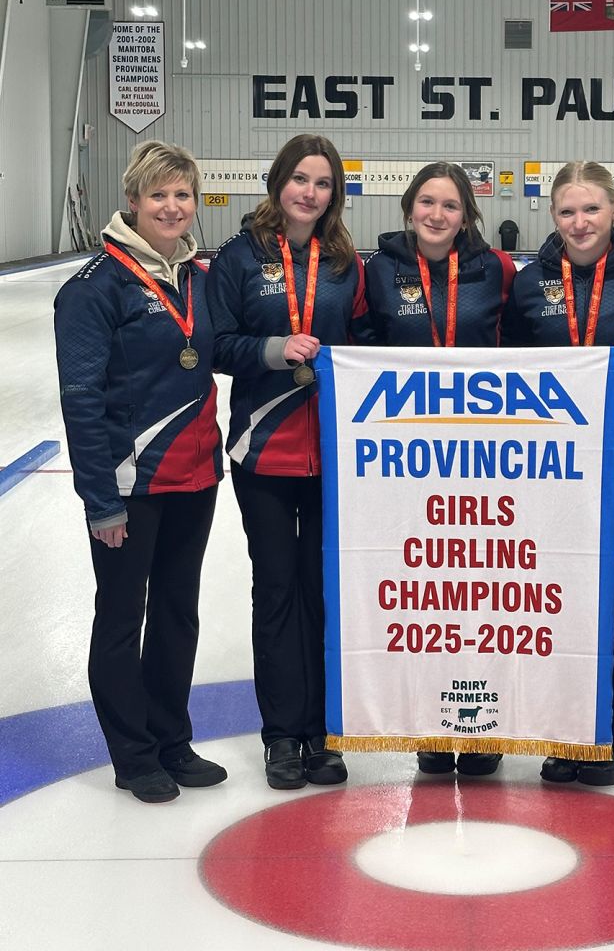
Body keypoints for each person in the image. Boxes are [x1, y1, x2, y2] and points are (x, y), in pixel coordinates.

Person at [54, 140, 225, 804]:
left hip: (195, 477)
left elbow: (220, 352)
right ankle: (133, 754)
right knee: (123, 619)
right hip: (130, 485)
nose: (172, 206)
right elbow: (81, 399)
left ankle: (172, 739)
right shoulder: (95, 287)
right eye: (159, 194)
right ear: (132, 201)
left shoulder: (197, 278)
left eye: (183, 194)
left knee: (178, 614)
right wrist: (100, 500)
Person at [206, 134, 369, 790]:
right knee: (276, 591)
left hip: (333, 456)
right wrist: (274, 350)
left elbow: (365, 341)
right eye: (300, 179)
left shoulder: (345, 262)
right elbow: (217, 343)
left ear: (335, 194)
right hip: (263, 452)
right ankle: (281, 736)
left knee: (324, 593)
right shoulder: (239, 256)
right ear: (278, 183)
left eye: (323, 183)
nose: (310, 192)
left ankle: (324, 733)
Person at [501, 161, 614, 786]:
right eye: (568, 211)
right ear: (553, 216)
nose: (580, 223)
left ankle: (610, 738)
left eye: (592, 209)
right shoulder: (530, 283)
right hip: (548, 475)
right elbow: (506, 366)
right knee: (554, 605)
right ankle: (562, 731)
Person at [365, 161, 517, 775]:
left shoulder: (496, 269)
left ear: (466, 215)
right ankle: (431, 722)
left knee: (482, 596)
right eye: (426, 202)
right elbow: (360, 347)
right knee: (425, 596)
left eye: (450, 205)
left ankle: (483, 728)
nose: (436, 214)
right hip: (407, 460)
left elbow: (529, 348)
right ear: (409, 209)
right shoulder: (379, 271)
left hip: (486, 458)